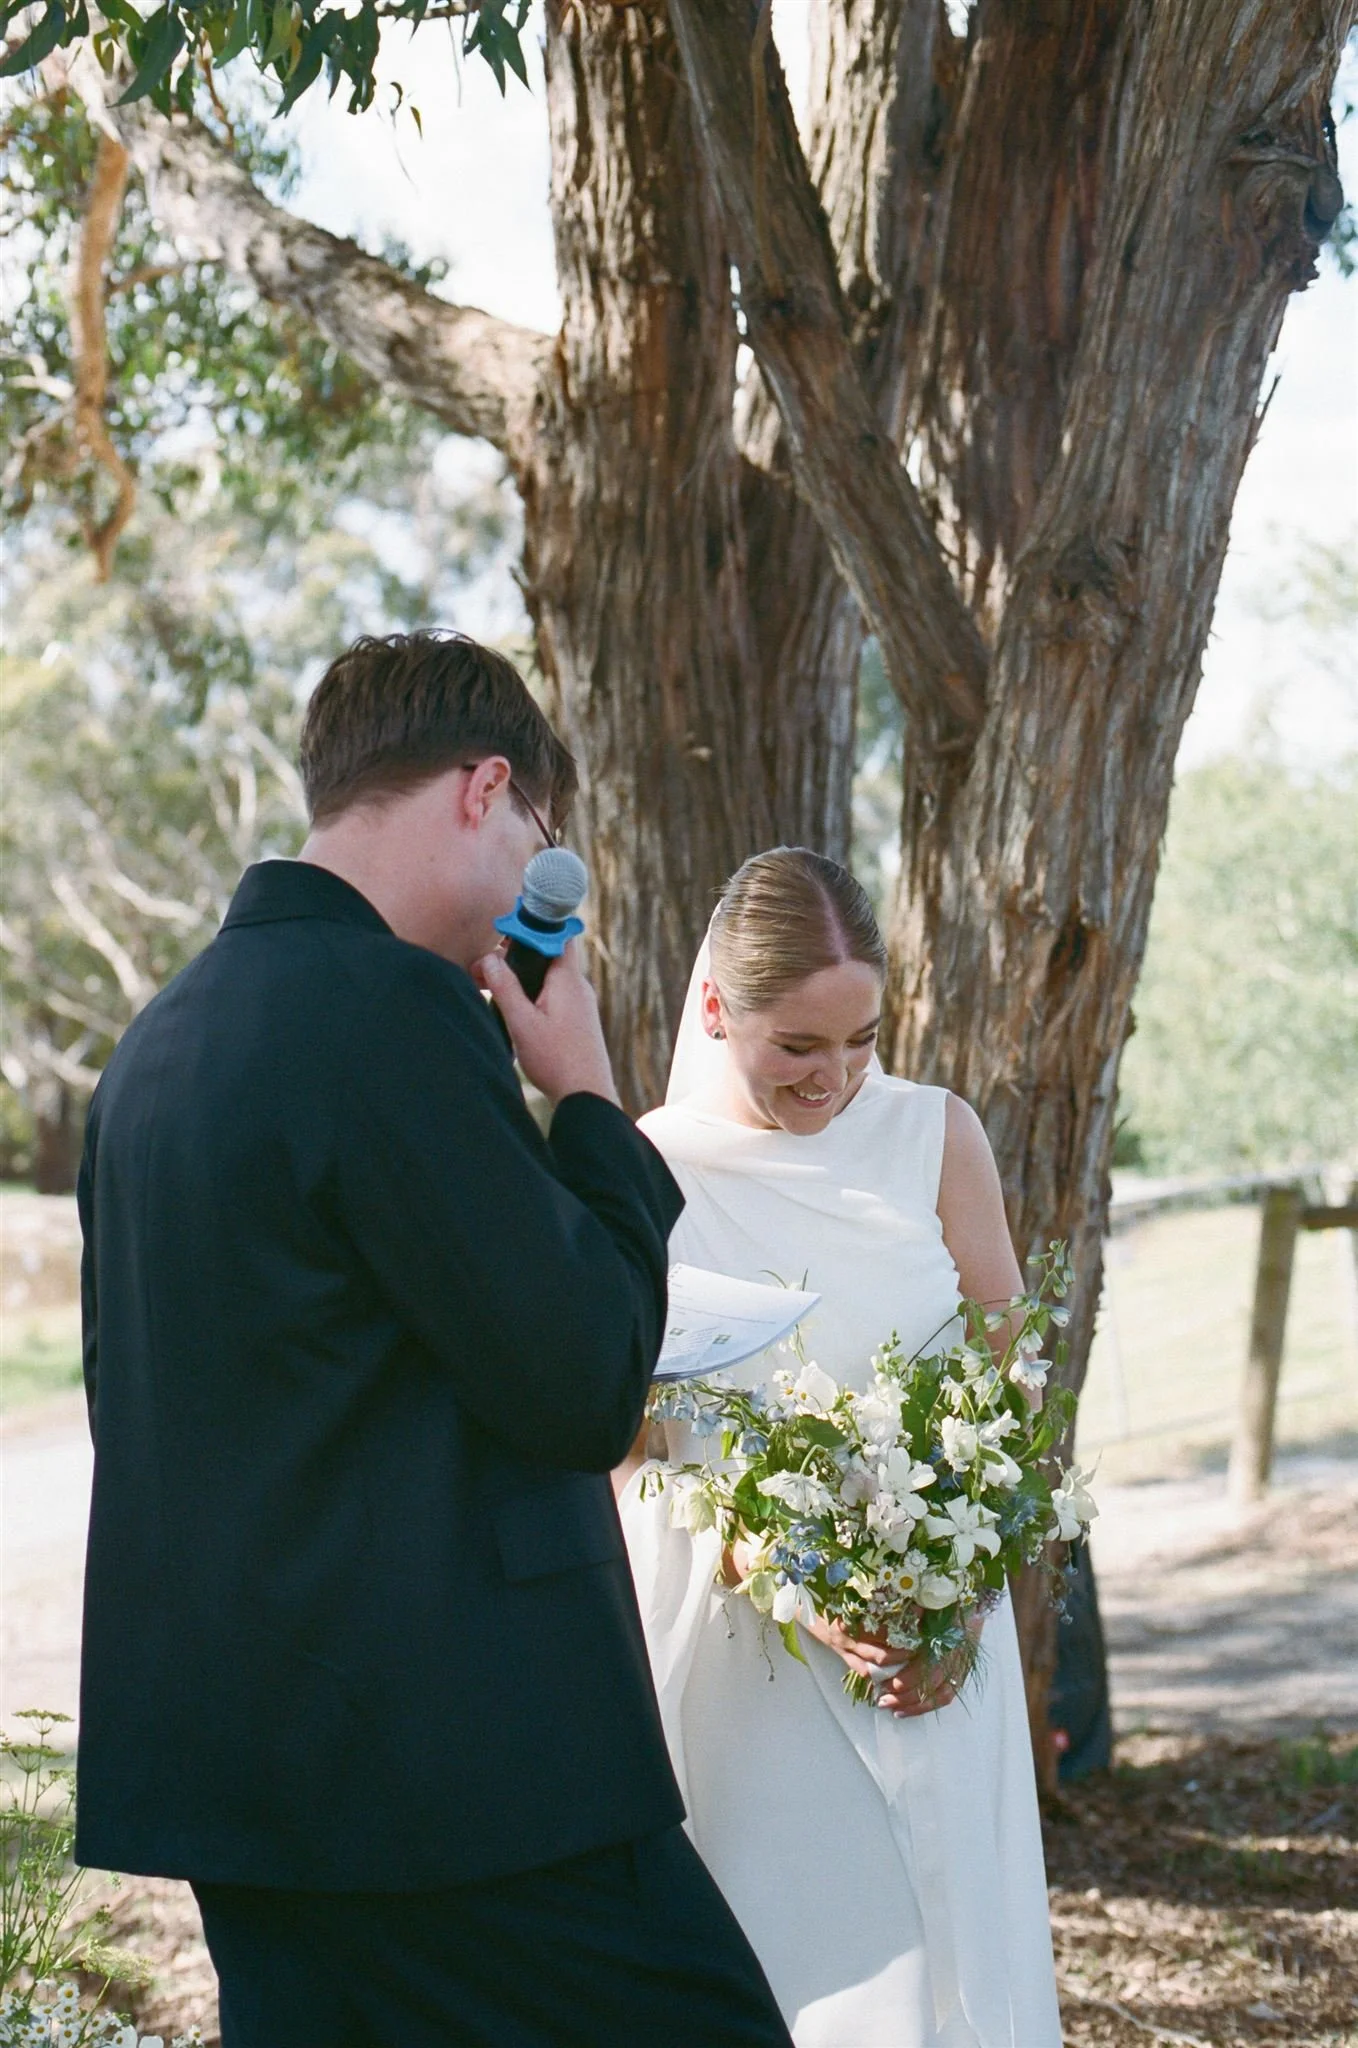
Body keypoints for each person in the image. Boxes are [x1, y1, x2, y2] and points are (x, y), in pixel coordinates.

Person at [75, 632, 793, 2048]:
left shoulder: (156, 1044)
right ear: (485, 789)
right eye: (541, 834)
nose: (536, 879)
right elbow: (582, 1379)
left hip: (252, 1776)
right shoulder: (389, 1011)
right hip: (463, 1773)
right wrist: (585, 1098)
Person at [616, 847, 1064, 2048]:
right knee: (811, 1979)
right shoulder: (644, 1168)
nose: (836, 1077)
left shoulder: (934, 1135)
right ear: (715, 1010)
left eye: (860, 1038)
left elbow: (1011, 1383)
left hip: (934, 1642)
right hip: (748, 1655)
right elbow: (632, 1444)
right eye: (797, 1047)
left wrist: (959, 1597)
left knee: (951, 1976)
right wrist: (787, 1569)